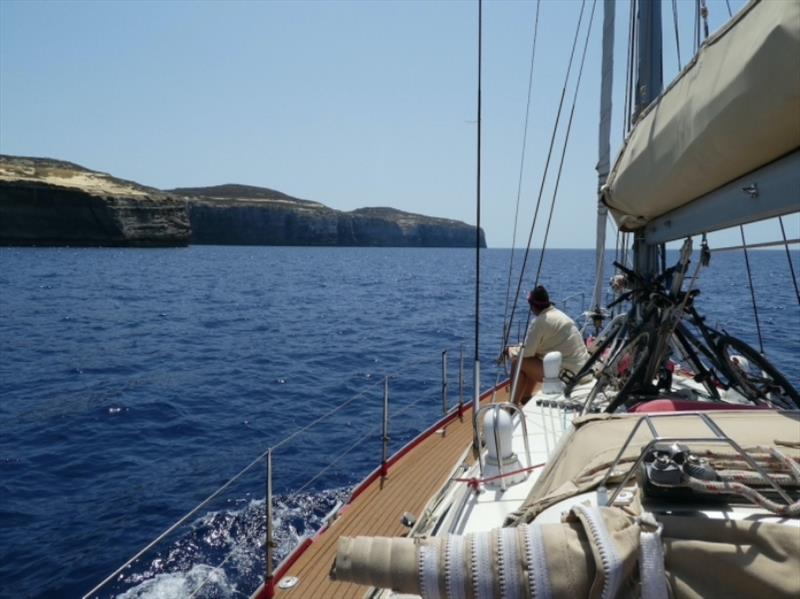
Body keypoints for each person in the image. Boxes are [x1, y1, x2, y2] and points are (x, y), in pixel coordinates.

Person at [508, 285, 590, 404]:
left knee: (518, 361)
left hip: (568, 376)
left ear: (533, 306)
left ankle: (512, 405)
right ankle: (526, 397)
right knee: (532, 357)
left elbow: (527, 352)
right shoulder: (559, 315)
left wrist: (511, 351)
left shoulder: (539, 322)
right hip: (581, 372)